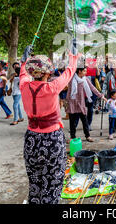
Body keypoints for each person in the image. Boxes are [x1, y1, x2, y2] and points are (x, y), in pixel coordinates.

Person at [20, 47, 81, 204]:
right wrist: (73, 58)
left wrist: (24, 60)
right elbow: (69, 73)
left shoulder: (24, 86)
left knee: (35, 182)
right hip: (52, 139)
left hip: (31, 139)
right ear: (47, 72)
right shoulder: (52, 87)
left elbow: (22, 74)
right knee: (53, 181)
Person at [67, 66, 105, 142]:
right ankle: (72, 137)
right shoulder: (71, 79)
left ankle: (87, 136)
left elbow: (92, 88)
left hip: (81, 102)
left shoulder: (85, 79)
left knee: (85, 120)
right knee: (72, 121)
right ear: (79, 71)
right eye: (84, 71)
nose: (86, 72)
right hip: (72, 102)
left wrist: (101, 95)